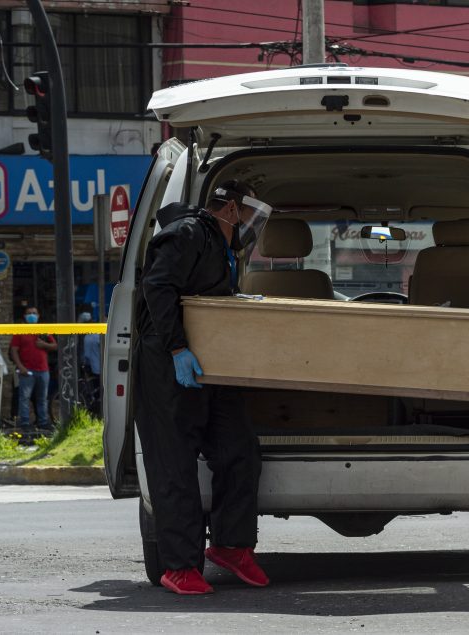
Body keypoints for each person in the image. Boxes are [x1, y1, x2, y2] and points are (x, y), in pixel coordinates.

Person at [134, 180, 272, 595]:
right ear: (230, 208)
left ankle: (231, 545)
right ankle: (179, 566)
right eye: (249, 215)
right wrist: (177, 348)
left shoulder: (221, 245)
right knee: (174, 464)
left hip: (211, 362)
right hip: (168, 363)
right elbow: (156, 286)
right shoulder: (189, 232)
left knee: (239, 448)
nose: (251, 225)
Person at [9, 306, 57, 431]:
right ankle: (25, 423)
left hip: (43, 370)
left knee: (42, 398)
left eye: (34, 313)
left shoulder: (43, 330)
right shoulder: (20, 331)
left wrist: (44, 344)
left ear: (38, 315)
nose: (32, 315)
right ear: (25, 316)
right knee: (24, 398)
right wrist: (20, 367)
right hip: (27, 371)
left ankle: (43, 422)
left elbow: (55, 346)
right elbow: (14, 351)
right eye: (29, 313)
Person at [78, 311, 103, 416]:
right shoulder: (98, 334)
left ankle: (96, 410)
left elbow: (86, 356)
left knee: (95, 391)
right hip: (101, 367)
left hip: (93, 368)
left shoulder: (88, 337)